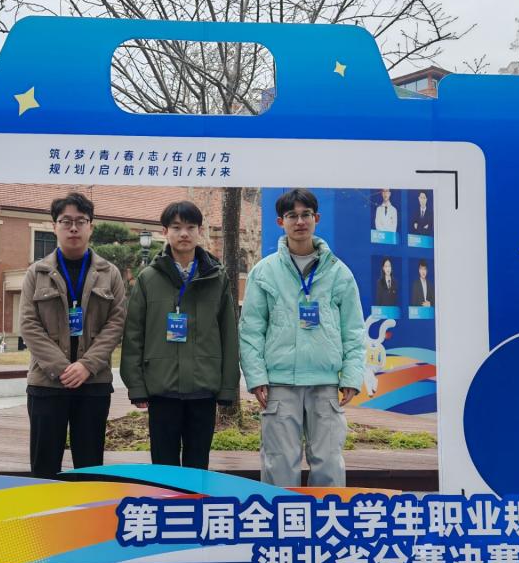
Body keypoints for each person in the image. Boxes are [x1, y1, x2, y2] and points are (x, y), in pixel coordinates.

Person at [240, 188, 366, 487]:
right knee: (279, 462)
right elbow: (251, 329)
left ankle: (328, 516)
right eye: (292, 216)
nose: (299, 222)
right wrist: (256, 378)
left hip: (325, 383)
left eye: (305, 214)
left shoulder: (338, 272)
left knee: (329, 462)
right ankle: (280, 517)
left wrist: (351, 377)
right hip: (280, 384)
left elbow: (353, 330)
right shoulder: (264, 272)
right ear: (280, 221)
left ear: (316, 218)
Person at [120, 201, 239, 469]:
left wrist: (227, 386)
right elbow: (134, 334)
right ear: (165, 232)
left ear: (200, 231)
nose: (184, 233)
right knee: (164, 467)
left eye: (190, 227)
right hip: (162, 388)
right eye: (176, 227)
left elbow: (229, 335)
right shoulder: (148, 278)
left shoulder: (216, 278)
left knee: (198, 465)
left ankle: (193, 499)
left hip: (203, 388)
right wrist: (136, 385)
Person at [20, 192, 127, 479]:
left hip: (93, 384)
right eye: (66, 221)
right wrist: (62, 368)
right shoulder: (36, 273)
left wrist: (86, 365)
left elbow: (116, 323)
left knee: (90, 467)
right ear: (54, 226)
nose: (73, 228)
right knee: (44, 466)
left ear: (91, 226)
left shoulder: (110, 274)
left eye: (81, 221)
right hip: (47, 383)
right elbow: (29, 325)